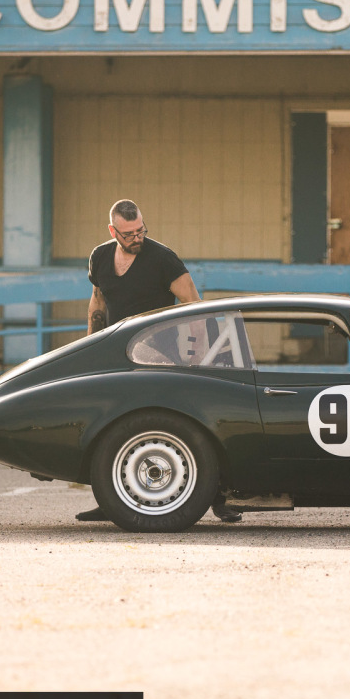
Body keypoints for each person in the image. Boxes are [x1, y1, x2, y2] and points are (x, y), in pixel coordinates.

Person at [75, 199, 242, 524]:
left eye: (141, 230)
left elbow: (193, 304)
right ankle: (110, 501)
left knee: (189, 428)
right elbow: (97, 301)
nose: (137, 237)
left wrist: (197, 357)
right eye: (129, 234)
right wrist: (91, 346)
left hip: (162, 358)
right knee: (112, 432)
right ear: (113, 231)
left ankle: (219, 500)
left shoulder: (163, 259)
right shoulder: (99, 258)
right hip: (116, 357)